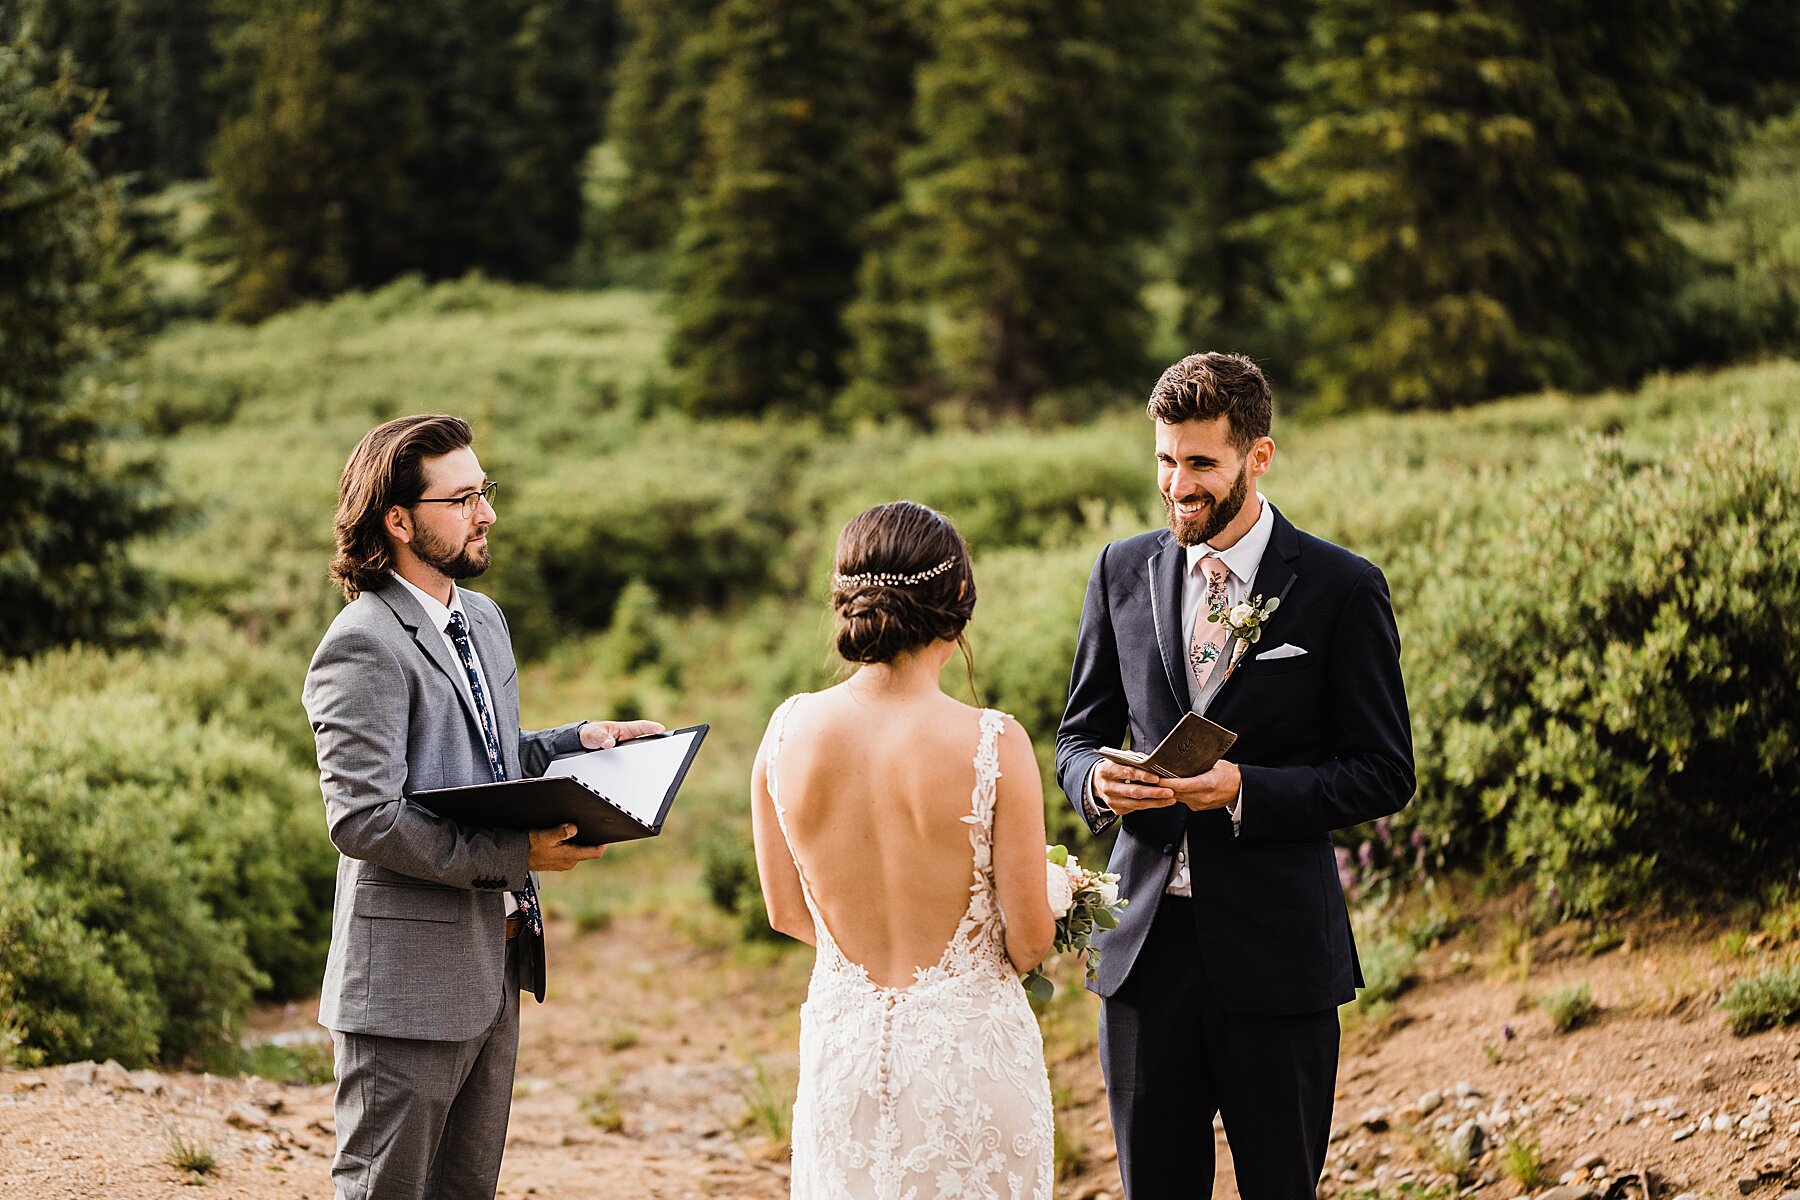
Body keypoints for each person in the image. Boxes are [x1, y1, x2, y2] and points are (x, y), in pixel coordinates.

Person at [1055, 353, 1415, 1199]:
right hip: (1142, 959)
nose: (1178, 485)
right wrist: (1099, 788)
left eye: (1201, 464)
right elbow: (1076, 739)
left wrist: (1245, 788)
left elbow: (1383, 773)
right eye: (1164, 461)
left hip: (1279, 955)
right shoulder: (1119, 570)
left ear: (1259, 456)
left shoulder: (1341, 588)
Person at [301, 413, 662, 1200]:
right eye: (462, 498)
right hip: (404, 986)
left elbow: (486, 761)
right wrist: (515, 857)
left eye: (484, 491)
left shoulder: (484, 620)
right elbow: (363, 818)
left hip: (494, 961)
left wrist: (577, 743)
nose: (487, 513)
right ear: (397, 521)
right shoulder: (361, 642)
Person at [750, 500, 1058, 1199]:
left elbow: (785, 912)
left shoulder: (787, 728)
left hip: (846, 1062)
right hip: (972, 1068)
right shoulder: (993, 742)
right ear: (956, 599)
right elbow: (1031, 938)